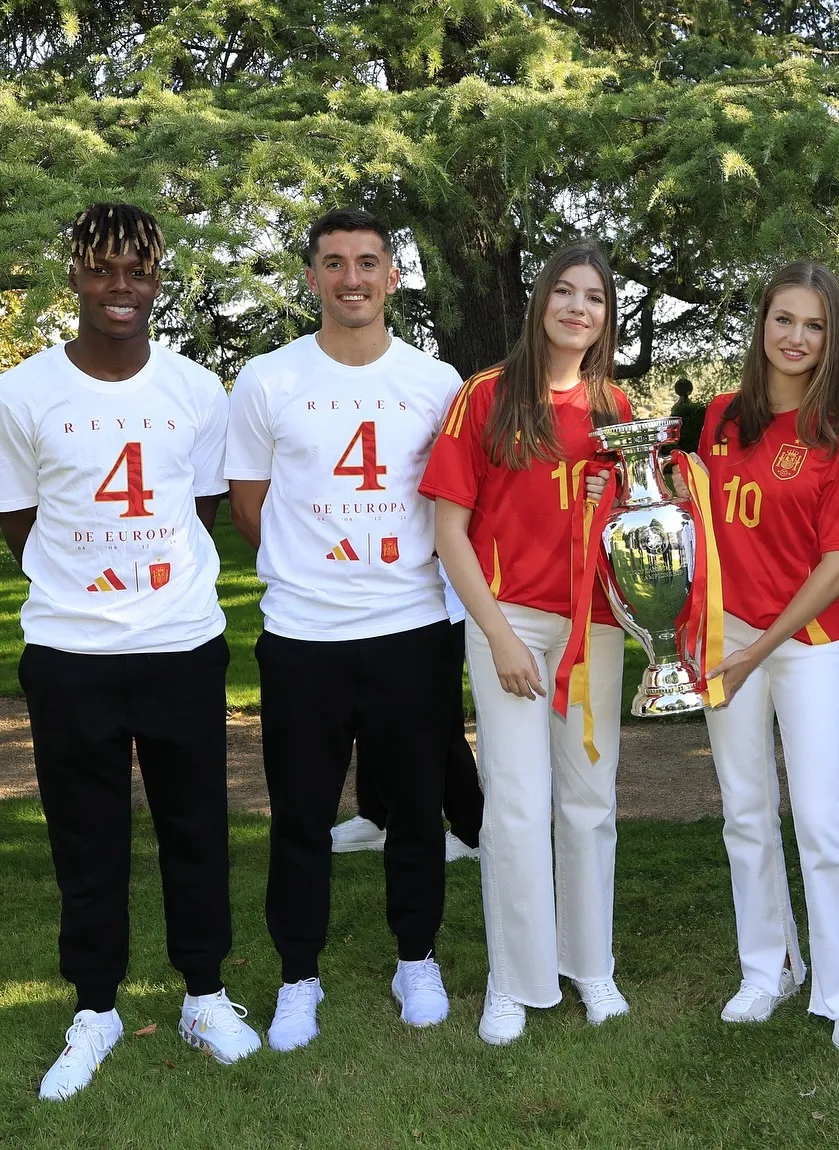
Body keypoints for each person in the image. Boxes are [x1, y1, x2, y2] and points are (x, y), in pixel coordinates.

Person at [0, 203, 260, 1099]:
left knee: (196, 827)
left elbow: (202, 511)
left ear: (158, 280)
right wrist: (86, 589)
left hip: (181, 645)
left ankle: (204, 995)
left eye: (139, 271)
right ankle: (96, 1009)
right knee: (88, 837)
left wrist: (150, 592)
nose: (122, 288)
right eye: (104, 268)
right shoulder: (23, 392)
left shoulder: (196, 388)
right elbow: (18, 520)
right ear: (73, 273)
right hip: (70, 653)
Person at [226, 207, 461, 1050]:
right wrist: (318, 565)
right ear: (313, 276)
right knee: (299, 813)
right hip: (304, 636)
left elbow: (455, 503)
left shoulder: (437, 382)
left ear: (393, 277)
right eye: (334, 263)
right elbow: (251, 505)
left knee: (418, 807)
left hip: (412, 627)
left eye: (368, 263)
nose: (352, 279)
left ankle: (416, 957)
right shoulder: (267, 380)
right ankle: (299, 976)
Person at [423, 241, 633, 1046]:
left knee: (589, 800)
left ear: (605, 317)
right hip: (509, 626)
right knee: (513, 804)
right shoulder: (485, 396)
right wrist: (499, 636)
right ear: (540, 302)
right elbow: (450, 530)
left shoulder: (618, 410)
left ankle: (592, 967)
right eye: (566, 293)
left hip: (595, 627)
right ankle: (514, 980)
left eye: (595, 298)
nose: (579, 308)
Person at [691, 260, 839, 1056]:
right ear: (761, 325)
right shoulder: (718, 421)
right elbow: (696, 530)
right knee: (744, 813)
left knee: (824, 818)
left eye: (814, 324)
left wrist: (755, 651)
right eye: (783, 320)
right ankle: (768, 968)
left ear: (832, 335)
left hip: (804, 647)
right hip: (723, 639)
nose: (796, 337)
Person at [331, 571, 485, 864]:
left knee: (439, 724)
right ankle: (377, 818)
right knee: (373, 715)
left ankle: (470, 830)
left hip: (435, 606)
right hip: (378, 606)